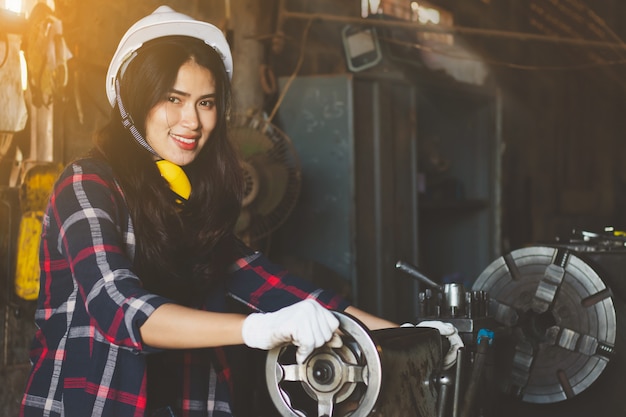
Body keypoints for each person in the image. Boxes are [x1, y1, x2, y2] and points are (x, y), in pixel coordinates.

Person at [19, 6, 402, 417]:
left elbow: (282, 290)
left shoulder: (186, 207)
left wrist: (413, 338)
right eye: (173, 98)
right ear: (133, 101)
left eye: (206, 102)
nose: (192, 121)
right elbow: (119, 307)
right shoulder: (85, 186)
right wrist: (255, 328)